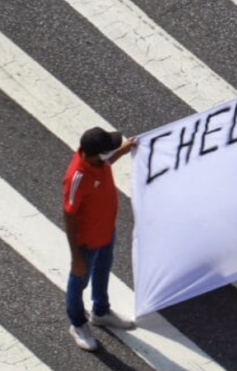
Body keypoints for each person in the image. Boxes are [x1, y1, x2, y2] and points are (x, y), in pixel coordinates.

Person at [64, 127, 136, 351]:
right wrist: (76, 257)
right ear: (96, 154)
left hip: (105, 230)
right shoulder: (77, 177)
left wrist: (122, 151)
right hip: (87, 240)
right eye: (108, 150)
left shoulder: (98, 162)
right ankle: (77, 324)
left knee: (103, 269)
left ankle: (101, 311)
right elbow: (68, 216)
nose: (110, 153)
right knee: (78, 281)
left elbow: (108, 162)